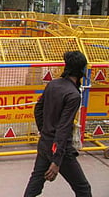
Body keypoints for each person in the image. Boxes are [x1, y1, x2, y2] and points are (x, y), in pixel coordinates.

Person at [23, 51, 92, 197]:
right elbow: (63, 128)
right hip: (60, 149)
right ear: (81, 71)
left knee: (35, 183)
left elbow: (38, 110)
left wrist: (45, 131)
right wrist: (56, 161)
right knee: (83, 188)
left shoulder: (53, 84)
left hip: (45, 143)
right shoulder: (73, 96)